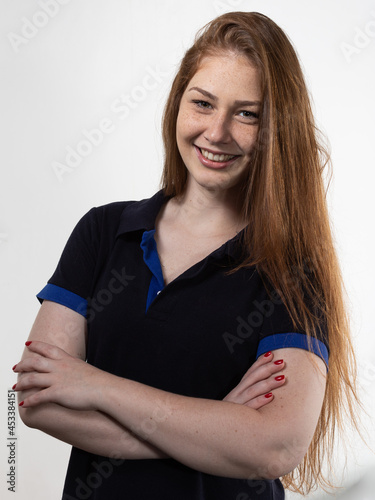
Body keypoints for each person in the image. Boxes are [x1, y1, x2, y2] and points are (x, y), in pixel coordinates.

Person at [13, 11, 359, 500]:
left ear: (278, 129)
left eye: (247, 114)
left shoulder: (291, 268)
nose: (216, 133)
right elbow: (37, 400)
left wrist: (96, 385)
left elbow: (274, 447)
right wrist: (217, 423)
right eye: (203, 103)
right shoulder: (103, 231)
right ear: (177, 104)